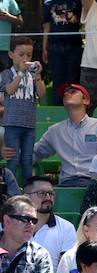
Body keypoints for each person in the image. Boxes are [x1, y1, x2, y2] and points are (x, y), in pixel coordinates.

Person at [31, 83, 97, 187]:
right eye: (65, 93)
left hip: (95, 182)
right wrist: (11, 154)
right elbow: (35, 153)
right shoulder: (55, 131)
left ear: (86, 100)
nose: (67, 94)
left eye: (73, 92)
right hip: (66, 183)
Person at [2, 36, 45, 181]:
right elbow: (9, 90)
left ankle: (29, 189)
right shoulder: (6, 74)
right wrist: (20, 73)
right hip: (12, 123)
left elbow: (42, 94)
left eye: (29, 55)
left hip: (29, 125)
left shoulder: (32, 75)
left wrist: (37, 75)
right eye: (21, 54)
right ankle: (10, 189)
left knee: (27, 160)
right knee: (13, 159)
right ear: (11, 54)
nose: (25, 59)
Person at [24, 176, 77, 273]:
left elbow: (67, 268)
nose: (48, 197)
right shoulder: (13, 225)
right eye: (42, 193)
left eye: (51, 194)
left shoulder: (66, 228)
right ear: (26, 197)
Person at [42, 0, 82, 105]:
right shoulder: (48, 3)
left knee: (73, 80)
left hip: (74, 46)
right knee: (57, 80)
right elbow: (46, 27)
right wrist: (44, 48)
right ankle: (58, 108)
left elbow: (83, 20)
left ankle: (75, 106)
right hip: (54, 47)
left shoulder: (77, 2)